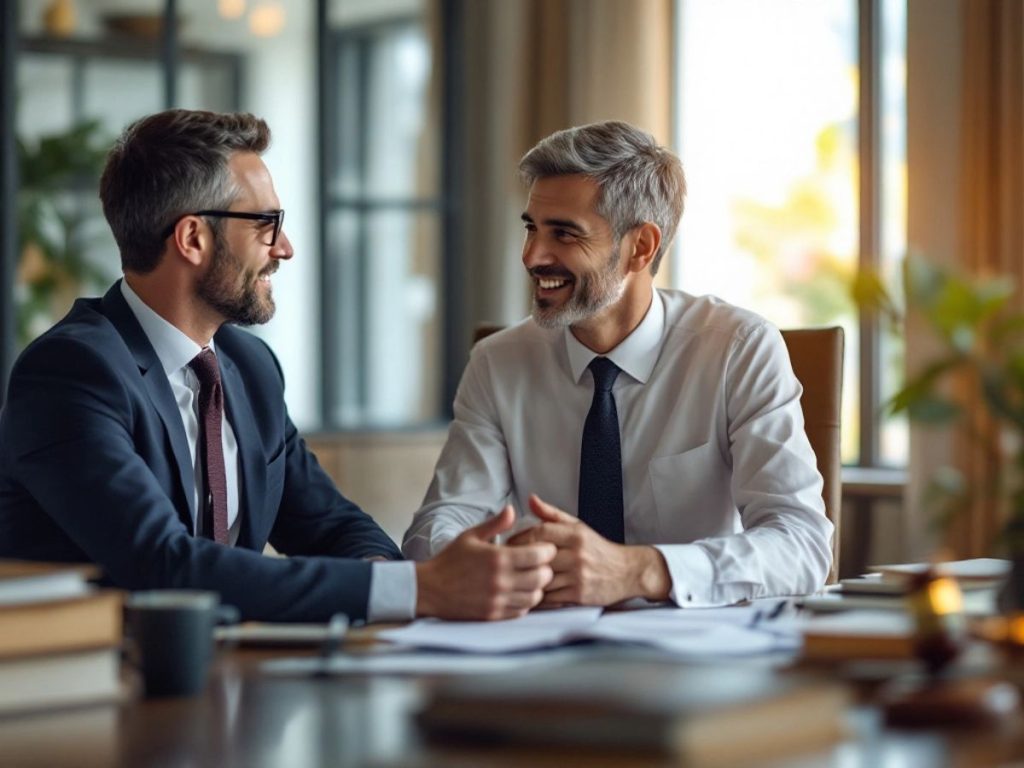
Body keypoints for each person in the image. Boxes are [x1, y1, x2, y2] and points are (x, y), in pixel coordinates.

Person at [0, 109, 555, 623]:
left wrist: (404, 577)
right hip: (93, 697)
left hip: (234, 685)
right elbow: (161, 566)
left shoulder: (248, 366)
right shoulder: (72, 371)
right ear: (193, 237)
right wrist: (420, 590)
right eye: (266, 223)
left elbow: (329, 525)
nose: (284, 247)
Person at [403, 120, 833, 608]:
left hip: (695, 658)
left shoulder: (739, 350)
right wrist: (482, 560)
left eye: (564, 234)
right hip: (538, 653)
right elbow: (436, 528)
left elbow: (802, 546)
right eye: (531, 229)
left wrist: (640, 570)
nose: (532, 256)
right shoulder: (497, 362)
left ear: (640, 247)